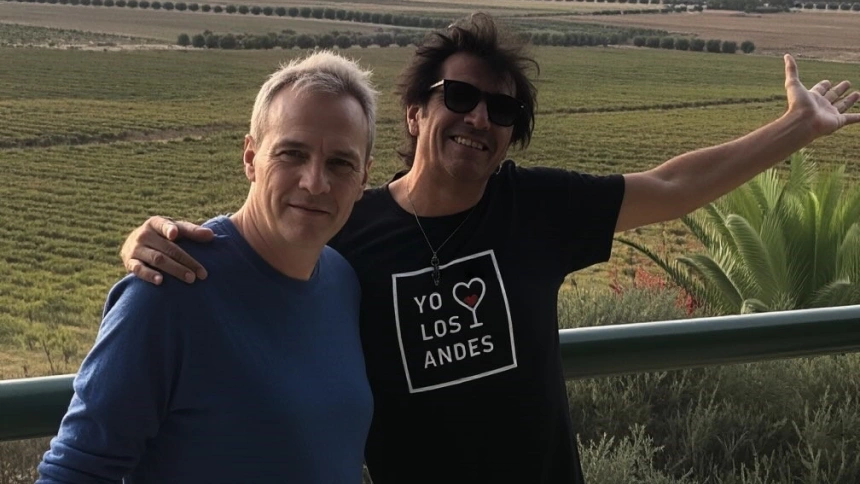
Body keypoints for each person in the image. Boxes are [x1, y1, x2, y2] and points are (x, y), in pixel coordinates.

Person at [118, 13, 860, 484]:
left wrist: (797, 126)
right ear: (416, 113)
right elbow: (266, 232)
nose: (479, 119)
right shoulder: (347, 222)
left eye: (502, 110)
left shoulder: (534, 207)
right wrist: (157, 240)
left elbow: (671, 185)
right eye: (460, 97)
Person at [37, 51, 377, 483]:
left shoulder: (343, 282)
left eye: (340, 163)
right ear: (250, 157)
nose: (315, 182)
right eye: (292, 153)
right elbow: (74, 471)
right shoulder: (169, 289)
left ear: (364, 178)